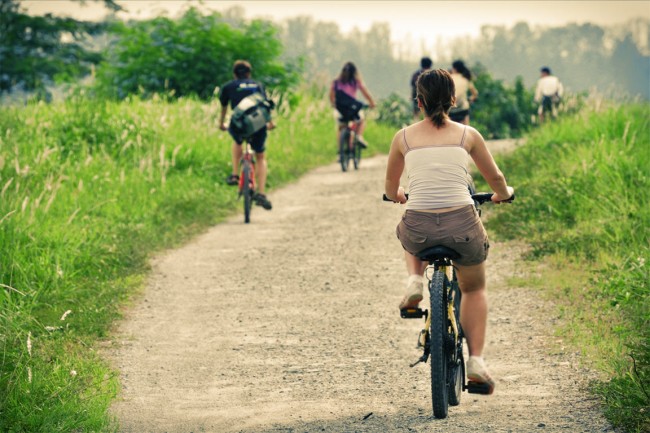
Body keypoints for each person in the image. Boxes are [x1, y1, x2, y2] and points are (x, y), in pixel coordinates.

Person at [384, 69, 514, 394]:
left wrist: (398, 195)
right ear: (454, 100)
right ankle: (477, 363)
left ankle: (415, 279)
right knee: (473, 288)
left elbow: (390, 188)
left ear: (418, 102)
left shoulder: (403, 137)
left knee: (409, 230)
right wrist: (503, 194)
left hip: (420, 227)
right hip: (462, 227)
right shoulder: (468, 135)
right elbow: (495, 178)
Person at [218, 60, 274, 210]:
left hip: (240, 124)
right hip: (258, 123)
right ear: (249, 73)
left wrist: (221, 123)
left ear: (234, 74)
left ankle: (235, 174)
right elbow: (265, 106)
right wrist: (270, 123)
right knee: (260, 156)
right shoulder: (258, 85)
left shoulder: (228, 86)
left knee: (237, 140)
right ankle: (261, 193)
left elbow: (224, 108)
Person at [329, 62, 376, 151]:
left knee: (340, 128)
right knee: (361, 120)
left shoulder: (335, 82)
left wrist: (333, 104)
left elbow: (331, 96)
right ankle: (358, 136)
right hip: (352, 109)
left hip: (340, 110)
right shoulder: (355, 82)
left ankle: (340, 151)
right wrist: (372, 103)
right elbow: (365, 93)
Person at [449, 60, 478, 125]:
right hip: (463, 110)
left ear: (454, 69)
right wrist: (470, 100)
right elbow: (475, 94)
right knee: (466, 129)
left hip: (450, 110)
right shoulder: (466, 78)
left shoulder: (449, 77)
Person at [411, 57, 433, 122]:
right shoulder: (435, 75)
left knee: (416, 118)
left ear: (421, 64)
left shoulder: (416, 74)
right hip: (432, 101)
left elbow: (413, 87)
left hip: (418, 100)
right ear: (430, 64)